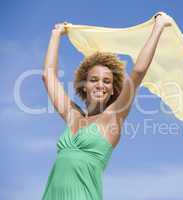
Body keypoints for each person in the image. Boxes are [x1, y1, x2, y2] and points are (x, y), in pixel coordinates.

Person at [41, 12, 173, 200]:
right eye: (93, 79)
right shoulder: (73, 116)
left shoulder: (113, 117)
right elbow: (48, 77)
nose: (100, 85)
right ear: (84, 86)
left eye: (106, 81)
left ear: (113, 89)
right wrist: (56, 34)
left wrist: (158, 27)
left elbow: (138, 71)